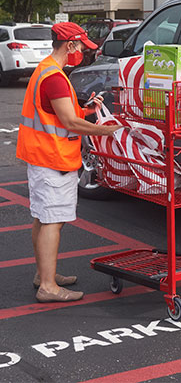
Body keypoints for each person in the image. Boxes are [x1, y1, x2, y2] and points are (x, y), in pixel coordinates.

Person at [16, 22, 123, 303]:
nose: (84, 54)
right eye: (82, 47)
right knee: (53, 221)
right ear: (70, 45)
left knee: (43, 218)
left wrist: (89, 109)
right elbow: (68, 121)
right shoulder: (54, 77)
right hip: (53, 159)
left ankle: (44, 275)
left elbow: (61, 112)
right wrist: (106, 130)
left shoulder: (47, 70)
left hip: (43, 156)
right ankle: (48, 287)